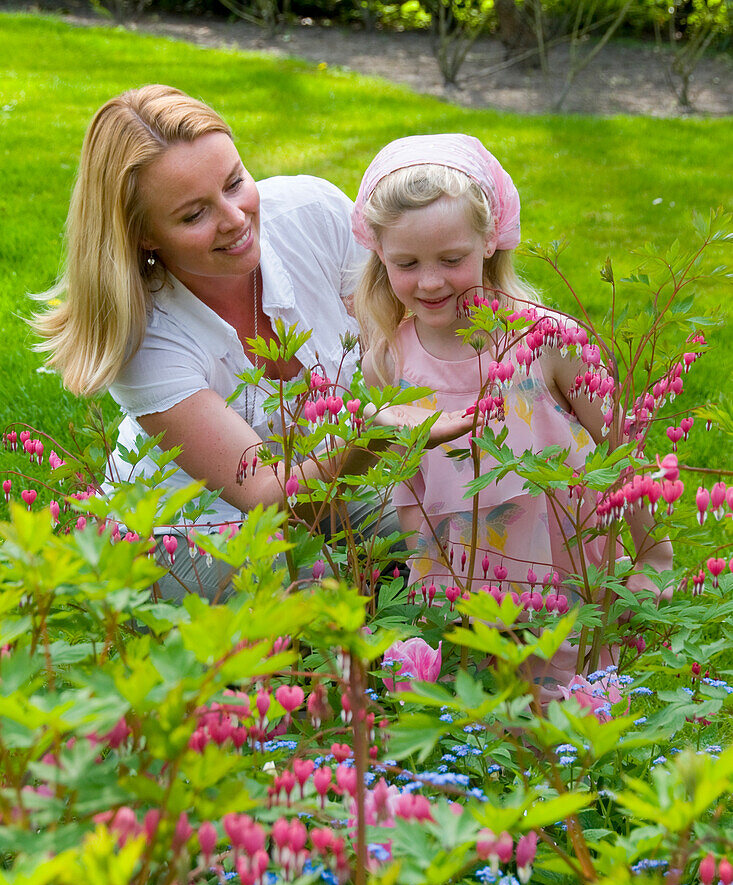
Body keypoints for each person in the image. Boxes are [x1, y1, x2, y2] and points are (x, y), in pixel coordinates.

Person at [30, 86, 466, 601]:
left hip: (336, 484)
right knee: (307, 600)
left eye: (235, 183)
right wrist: (373, 437)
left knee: (467, 533)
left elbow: (412, 334)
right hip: (196, 531)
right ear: (143, 235)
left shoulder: (313, 214)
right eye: (194, 215)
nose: (236, 218)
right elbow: (264, 494)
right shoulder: (143, 339)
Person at [351, 133, 672, 688]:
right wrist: (429, 583)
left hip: (566, 564)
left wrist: (653, 558)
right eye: (406, 263)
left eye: (452, 260)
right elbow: (410, 489)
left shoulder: (549, 341)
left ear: (489, 245)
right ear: (380, 255)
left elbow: (624, 449)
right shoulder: (388, 359)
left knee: (570, 711)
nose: (430, 282)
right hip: (462, 581)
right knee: (490, 718)